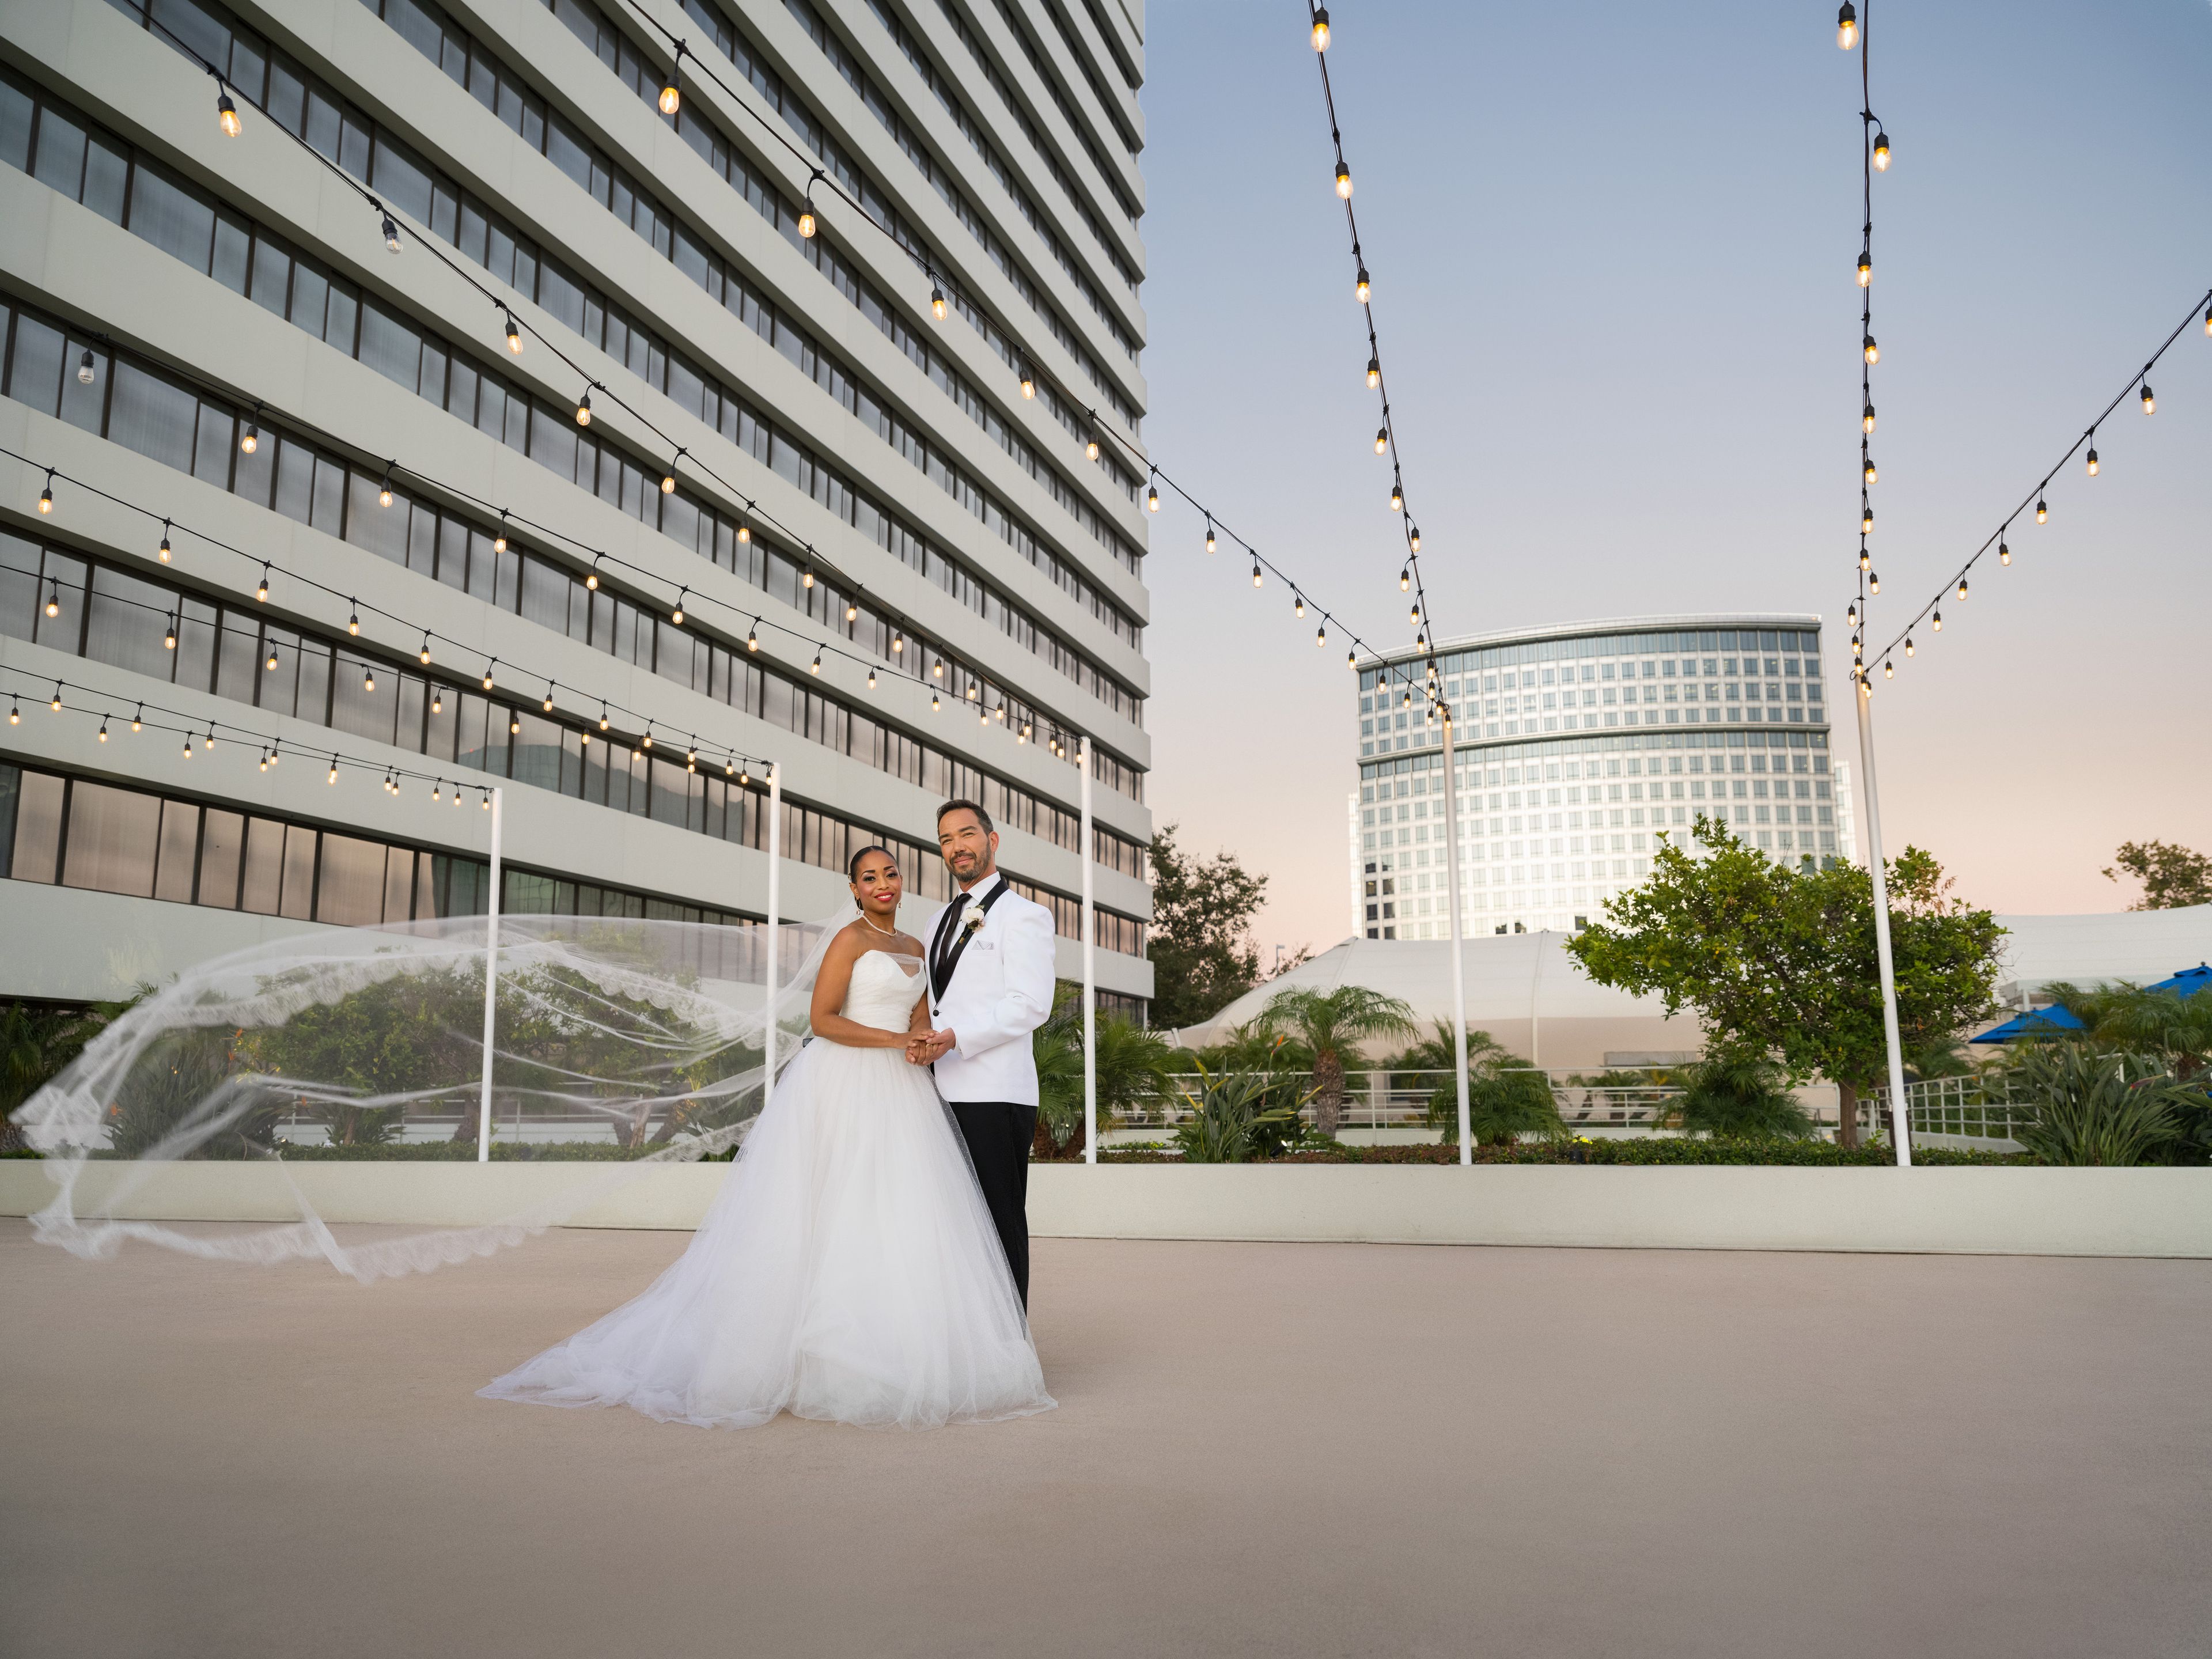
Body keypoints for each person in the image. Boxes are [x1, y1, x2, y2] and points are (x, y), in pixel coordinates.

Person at [478, 846, 1053, 1430]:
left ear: (902, 882)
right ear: (854, 890)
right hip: (844, 1082)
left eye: (890, 874)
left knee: (895, 1213)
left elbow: (919, 1020)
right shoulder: (850, 940)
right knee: (828, 1208)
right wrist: (889, 1044)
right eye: (869, 878)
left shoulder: (915, 944)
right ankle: (803, 1350)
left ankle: (892, 1344)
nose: (883, 884)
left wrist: (924, 1040)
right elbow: (823, 1019)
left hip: (903, 1093)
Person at [908, 800, 1057, 1308]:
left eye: (966, 834)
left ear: (992, 841)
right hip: (939, 1094)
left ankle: (1012, 1351)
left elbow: (1031, 1004)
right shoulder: (935, 923)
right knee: (954, 1227)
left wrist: (955, 1038)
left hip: (997, 1093)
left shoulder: (1027, 916)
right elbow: (934, 1002)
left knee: (1000, 1221)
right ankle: (973, 1350)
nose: (957, 847)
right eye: (946, 839)